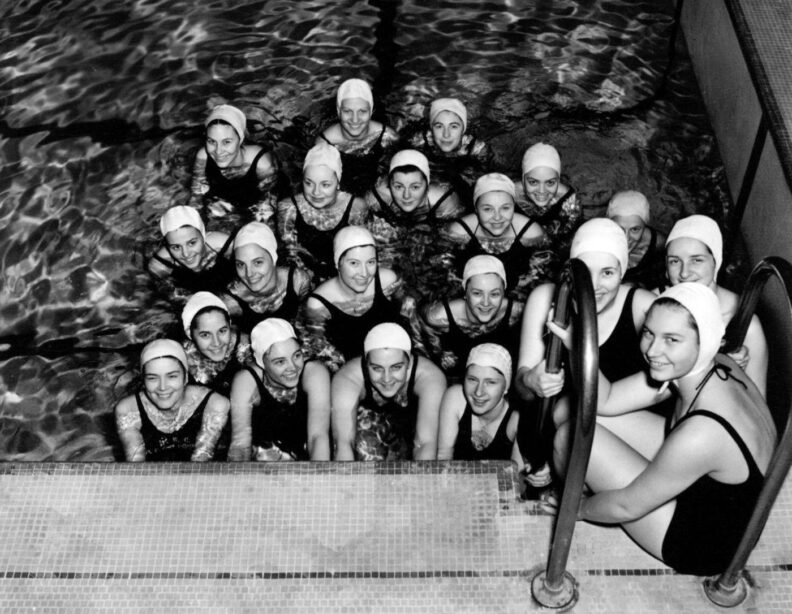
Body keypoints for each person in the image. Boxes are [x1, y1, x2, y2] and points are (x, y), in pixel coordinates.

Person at [550, 283, 775, 576]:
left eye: (672, 339)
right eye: (649, 333)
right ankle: (586, 484)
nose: (653, 350)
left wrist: (577, 508)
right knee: (568, 412)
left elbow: (627, 507)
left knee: (569, 437)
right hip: (709, 488)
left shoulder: (703, 433)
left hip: (702, 540)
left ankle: (579, 493)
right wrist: (578, 345)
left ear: (705, 340)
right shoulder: (715, 364)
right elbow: (606, 400)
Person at [514, 218, 656, 483]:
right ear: (570, 270)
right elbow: (522, 390)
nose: (593, 285)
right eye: (584, 271)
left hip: (613, 430)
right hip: (550, 424)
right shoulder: (545, 298)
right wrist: (531, 380)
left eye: (607, 273)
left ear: (622, 272)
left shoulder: (643, 307)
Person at [664, 214, 768, 396]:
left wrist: (737, 375)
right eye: (675, 261)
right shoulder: (655, 303)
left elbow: (758, 404)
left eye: (697, 260)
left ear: (716, 262)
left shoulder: (745, 324)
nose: (684, 273)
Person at [330, 322, 446, 460]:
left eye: (396, 367)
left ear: (409, 362)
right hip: (370, 422)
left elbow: (426, 443)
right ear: (366, 364)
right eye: (377, 368)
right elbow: (343, 444)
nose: (387, 379)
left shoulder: (430, 377)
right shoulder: (347, 379)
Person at [299, 225, 408, 372]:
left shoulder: (387, 280)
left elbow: (407, 311)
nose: (364, 273)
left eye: (371, 262)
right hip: (351, 369)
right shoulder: (319, 304)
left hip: (394, 361)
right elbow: (320, 349)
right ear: (337, 263)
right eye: (354, 263)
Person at [228, 318, 331, 461]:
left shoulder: (315, 373)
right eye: (280, 362)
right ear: (261, 363)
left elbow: (317, 437)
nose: (293, 367)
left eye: (297, 355)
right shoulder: (246, 381)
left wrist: (319, 473)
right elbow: (240, 445)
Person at [366, 149, 464, 294]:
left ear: (427, 184)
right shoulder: (378, 197)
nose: (406, 195)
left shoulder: (444, 200)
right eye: (398, 187)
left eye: (415, 187)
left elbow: (452, 241)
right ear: (389, 185)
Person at [114, 339, 230, 461]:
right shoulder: (128, 410)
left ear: (185, 378)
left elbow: (202, 459)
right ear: (143, 381)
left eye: (172, 376)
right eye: (152, 378)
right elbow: (135, 464)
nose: (162, 387)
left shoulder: (214, 403)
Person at [421, 255, 523, 383]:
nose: (486, 303)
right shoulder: (438, 316)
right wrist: (440, 353)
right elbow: (423, 339)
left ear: (503, 293)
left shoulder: (516, 311)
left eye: (494, 294)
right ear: (465, 293)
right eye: (477, 293)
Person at [444, 172, 547, 298]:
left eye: (505, 208)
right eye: (488, 209)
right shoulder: (460, 231)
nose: (497, 217)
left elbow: (542, 268)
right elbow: (445, 268)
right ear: (476, 209)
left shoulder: (530, 232)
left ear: (514, 207)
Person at [277, 142, 368, 281]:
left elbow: (360, 253)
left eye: (325, 185)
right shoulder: (289, 207)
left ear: (338, 183)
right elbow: (290, 251)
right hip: (304, 274)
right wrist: (307, 278)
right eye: (308, 183)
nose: (316, 192)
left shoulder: (355, 208)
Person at [188, 103, 279, 226]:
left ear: (240, 139)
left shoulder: (262, 163)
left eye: (227, 142)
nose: (218, 151)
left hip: (252, 201)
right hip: (223, 202)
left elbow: (268, 202)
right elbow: (196, 196)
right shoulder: (203, 156)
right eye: (212, 141)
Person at [436, 343, 520, 461]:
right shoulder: (455, 398)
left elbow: (518, 471)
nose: (479, 392)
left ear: (505, 387)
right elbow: (443, 457)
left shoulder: (516, 419)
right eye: (472, 380)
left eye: (490, 382)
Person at [224, 221, 312, 333]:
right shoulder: (231, 300)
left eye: (258, 262)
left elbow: (307, 322)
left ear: (274, 258)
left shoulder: (297, 280)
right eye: (241, 264)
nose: (249, 273)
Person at [316, 78, 399, 195]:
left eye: (362, 111)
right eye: (347, 111)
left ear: (371, 111)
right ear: (339, 111)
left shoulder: (387, 135)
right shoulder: (324, 142)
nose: (355, 120)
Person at [147, 205, 235, 300]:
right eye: (176, 247)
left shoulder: (222, 244)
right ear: (168, 246)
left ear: (203, 236)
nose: (186, 254)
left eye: (192, 243)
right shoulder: (160, 264)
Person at [514, 142, 580, 258]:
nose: (541, 191)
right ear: (523, 179)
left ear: (558, 180)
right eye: (533, 182)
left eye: (550, 182)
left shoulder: (569, 199)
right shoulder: (509, 194)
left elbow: (567, 240)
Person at [181, 291, 251, 395]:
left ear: (229, 326)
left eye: (222, 331)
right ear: (190, 335)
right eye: (205, 335)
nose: (217, 343)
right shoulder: (184, 356)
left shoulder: (248, 346)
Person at [606, 190, 666, 289]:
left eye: (635, 229)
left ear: (644, 226)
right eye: (619, 229)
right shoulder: (597, 240)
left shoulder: (659, 244)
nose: (626, 238)